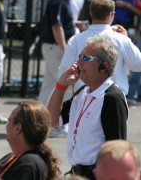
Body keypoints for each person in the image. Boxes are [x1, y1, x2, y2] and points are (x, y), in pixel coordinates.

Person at [48, 35, 128, 179]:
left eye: (85, 59)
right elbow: (52, 120)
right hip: (77, 173)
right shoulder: (82, 92)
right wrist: (61, 86)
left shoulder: (112, 99)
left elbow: (117, 150)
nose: (78, 63)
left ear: (103, 66)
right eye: (79, 57)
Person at [58, 0, 141, 99]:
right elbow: (138, 65)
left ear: (91, 14)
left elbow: (63, 73)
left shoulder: (75, 40)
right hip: (114, 98)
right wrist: (127, 40)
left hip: (83, 97)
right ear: (111, 15)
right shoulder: (121, 39)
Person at [38, 0, 79, 105]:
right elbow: (56, 26)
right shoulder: (59, 1)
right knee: (65, 81)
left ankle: (39, 118)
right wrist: (64, 48)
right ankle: (61, 123)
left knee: (49, 84)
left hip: (53, 47)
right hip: (55, 47)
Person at [0, 100, 60, 179]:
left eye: (9, 121)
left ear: (18, 128)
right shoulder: (15, 157)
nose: (6, 126)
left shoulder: (28, 165)